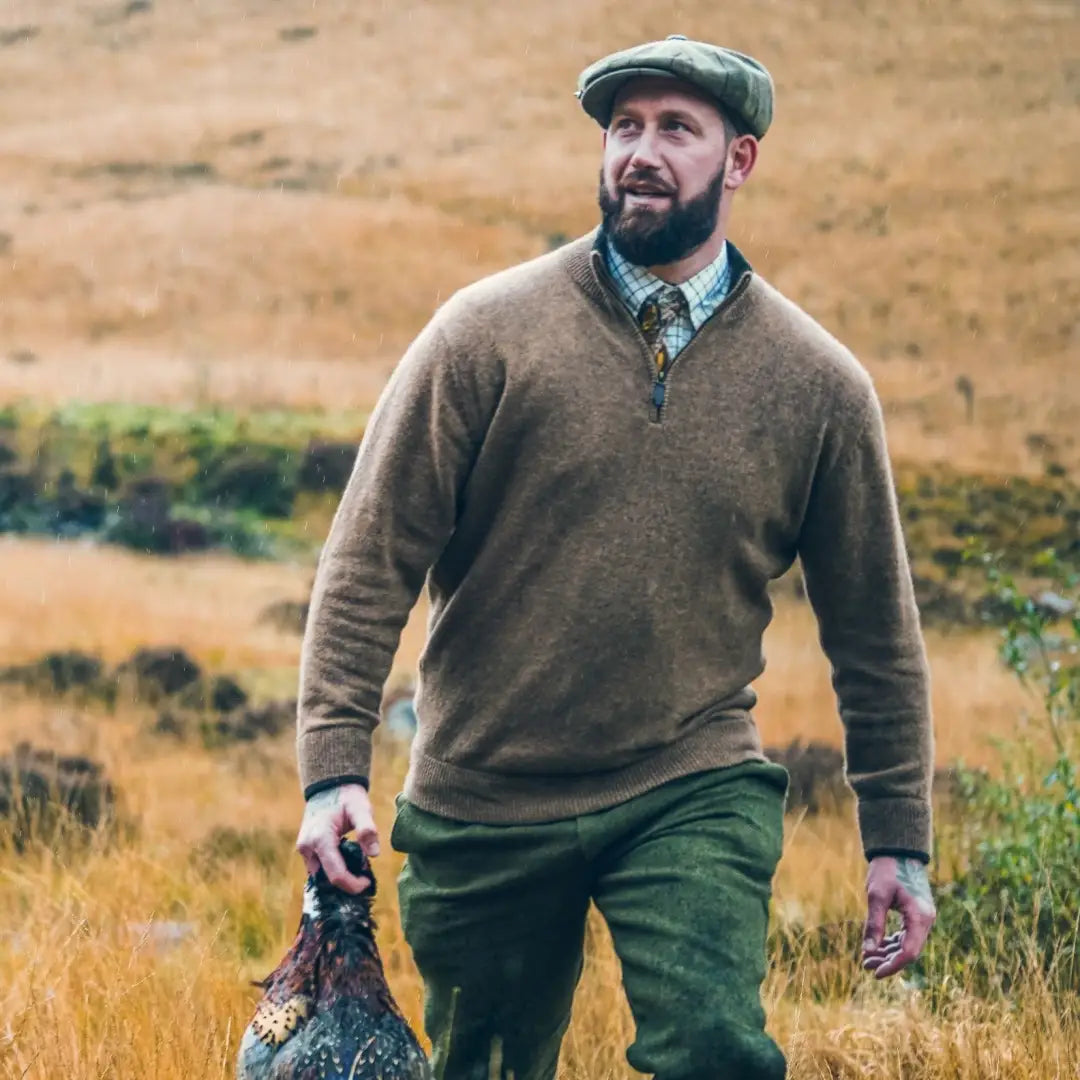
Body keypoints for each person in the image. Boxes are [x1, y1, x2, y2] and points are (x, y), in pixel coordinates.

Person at [293, 35, 937, 1080]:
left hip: (689, 779)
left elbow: (876, 634)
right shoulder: (483, 337)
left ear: (739, 161)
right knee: (487, 1067)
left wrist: (898, 842)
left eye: (676, 128)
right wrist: (332, 771)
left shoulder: (818, 387)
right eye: (623, 128)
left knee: (717, 1051)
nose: (641, 152)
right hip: (485, 789)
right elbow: (368, 559)